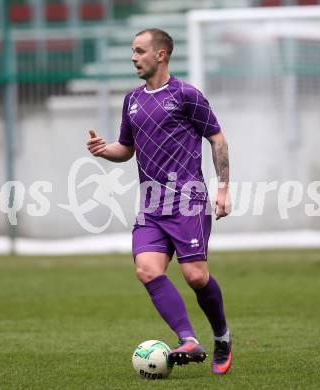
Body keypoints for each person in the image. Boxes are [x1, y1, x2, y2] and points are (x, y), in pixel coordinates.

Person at [87, 28, 232, 375]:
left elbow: (217, 139)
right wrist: (106, 151)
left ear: (161, 54)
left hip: (187, 201)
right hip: (151, 205)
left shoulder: (186, 95)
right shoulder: (132, 100)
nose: (134, 57)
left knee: (195, 277)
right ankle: (188, 340)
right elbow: (126, 148)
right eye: (133, 52)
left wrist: (223, 187)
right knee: (147, 269)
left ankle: (222, 336)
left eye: (139, 51)